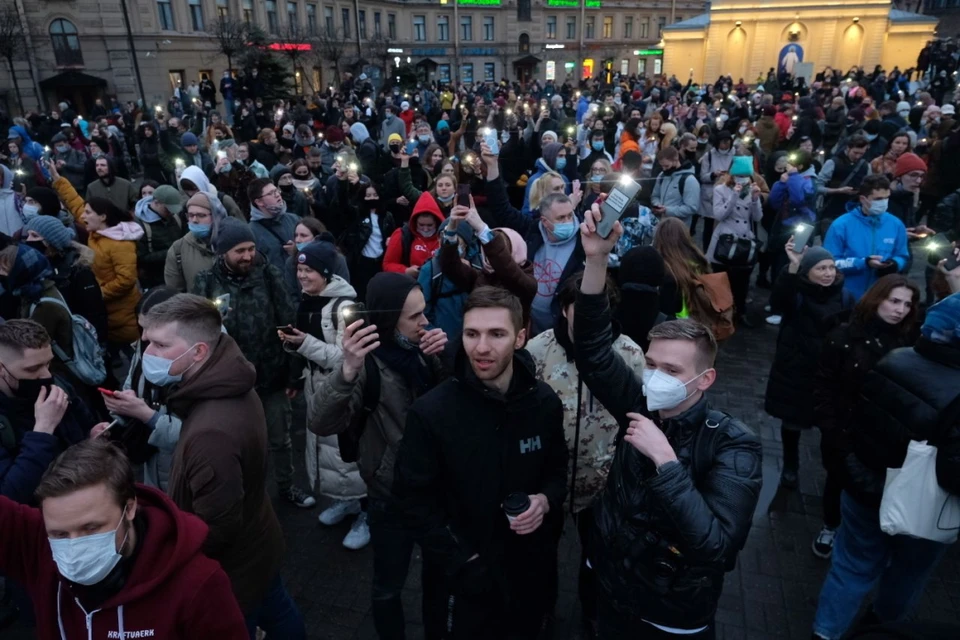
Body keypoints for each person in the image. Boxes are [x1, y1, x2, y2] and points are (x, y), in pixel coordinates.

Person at [572, 205, 763, 639]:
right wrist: (597, 259)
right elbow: (593, 347)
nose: (657, 377)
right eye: (652, 364)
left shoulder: (736, 445)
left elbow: (715, 547)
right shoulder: (637, 401)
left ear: (705, 378)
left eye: (672, 371)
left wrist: (666, 462)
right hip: (610, 590)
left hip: (670, 613)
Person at [393, 286, 568, 638]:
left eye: (496, 334)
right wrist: (464, 562)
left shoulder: (544, 403)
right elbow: (411, 501)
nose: (482, 348)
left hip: (527, 575)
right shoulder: (432, 413)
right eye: (472, 334)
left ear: (521, 337)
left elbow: (557, 470)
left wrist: (544, 500)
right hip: (460, 586)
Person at [139, 293, 306, 638]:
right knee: (277, 610)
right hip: (258, 545)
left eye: (159, 344)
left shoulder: (210, 434)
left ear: (198, 351)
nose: (147, 354)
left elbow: (216, 528)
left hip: (235, 572)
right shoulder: (231, 379)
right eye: (146, 342)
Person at [811, 292, 960, 640]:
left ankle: (825, 633)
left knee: (850, 567)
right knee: (907, 574)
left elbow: (859, 419)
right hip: (922, 508)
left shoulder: (895, 359)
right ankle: (880, 629)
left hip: (865, 487)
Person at [308, 272, 448, 639]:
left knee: (440, 581)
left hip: (437, 494)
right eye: (415, 317)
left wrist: (447, 360)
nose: (425, 322)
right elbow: (320, 421)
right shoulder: (366, 365)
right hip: (390, 497)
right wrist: (347, 370)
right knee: (388, 586)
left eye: (424, 312)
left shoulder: (423, 352)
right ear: (388, 320)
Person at [0, 438, 248, 637]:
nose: (74, 546)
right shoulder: (35, 546)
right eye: (59, 534)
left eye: (91, 528)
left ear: (129, 508)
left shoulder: (198, 583)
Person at [525, 275, 644, 632]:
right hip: (547, 483)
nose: (593, 320)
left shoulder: (630, 354)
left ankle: (592, 614)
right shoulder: (538, 350)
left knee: (597, 558)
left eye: (600, 311)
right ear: (564, 310)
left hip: (603, 485)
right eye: (583, 311)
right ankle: (542, 610)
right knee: (541, 555)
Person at [192, 218, 316, 509]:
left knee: (280, 438)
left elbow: (289, 322)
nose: (247, 256)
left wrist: (293, 374)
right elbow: (197, 333)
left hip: (271, 374)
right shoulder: (205, 282)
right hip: (230, 381)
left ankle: (286, 486)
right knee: (239, 444)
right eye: (240, 251)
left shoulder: (268, 274)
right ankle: (248, 496)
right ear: (223, 252)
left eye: (250, 249)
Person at [812, 275, 919, 560]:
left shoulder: (909, 341)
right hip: (845, 428)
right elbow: (824, 385)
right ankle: (830, 525)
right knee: (837, 479)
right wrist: (831, 429)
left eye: (907, 304)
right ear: (877, 299)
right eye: (894, 301)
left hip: (885, 434)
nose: (900, 310)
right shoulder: (844, 335)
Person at [278, 242, 370, 550]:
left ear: (327, 273)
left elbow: (350, 358)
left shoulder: (347, 306)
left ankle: (367, 511)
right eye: (300, 270)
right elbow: (312, 346)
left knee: (347, 451)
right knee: (326, 449)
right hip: (315, 385)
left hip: (343, 388)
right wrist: (294, 347)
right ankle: (347, 500)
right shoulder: (309, 300)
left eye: (309, 270)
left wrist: (303, 344)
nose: (302, 275)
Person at [765, 242, 854, 490]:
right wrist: (791, 267)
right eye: (821, 268)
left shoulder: (846, 296)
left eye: (831, 267)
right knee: (793, 423)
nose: (828, 273)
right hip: (797, 372)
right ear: (807, 272)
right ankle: (790, 465)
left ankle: (830, 469)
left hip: (829, 374)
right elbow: (778, 300)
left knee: (829, 425)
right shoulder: (797, 294)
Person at [0, 319, 95, 503]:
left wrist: (93, 436)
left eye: (48, 364)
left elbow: (85, 425)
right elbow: (9, 497)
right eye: (33, 369)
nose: (46, 375)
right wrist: (43, 430)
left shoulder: (58, 384)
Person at [51, 167, 143, 349]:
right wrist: (58, 180)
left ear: (102, 217)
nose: (83, 216)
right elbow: (76, 205)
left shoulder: (120, 244)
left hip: (124, 320)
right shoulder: (96, 231)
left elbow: (126, 280)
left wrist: (97, 293)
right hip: (107, 317)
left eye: (88, 213)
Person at [21, 215, 108, 343]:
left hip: (74, 340)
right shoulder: (36, 267)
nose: (28, 240)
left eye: (34, 236)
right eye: (28, 235)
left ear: (51, 242)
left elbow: (94, 313)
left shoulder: (77, 270)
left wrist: (98, 346)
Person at [823, 175, 910, 300]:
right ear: (863, 199)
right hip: (847, 296)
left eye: (887, 198)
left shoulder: (896, 224)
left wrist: (895, 264)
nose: (884, 203)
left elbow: (902, 255)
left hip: (881, 296)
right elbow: (830, 263)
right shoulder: (841, 225)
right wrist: (863, 263)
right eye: (878, 199)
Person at [706, 155, 763, 326]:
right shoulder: (720, 190)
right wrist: (734, 196)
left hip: (744, 239)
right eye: (740, 176)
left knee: (742, 281)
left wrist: (755, 199)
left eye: (746, 176)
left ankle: (739, 312)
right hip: (725, 239)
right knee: (720, 278)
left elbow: (758, 217)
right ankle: (717, 312)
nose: (743, 180)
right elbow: (719, 215)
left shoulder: (753, 189)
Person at [163, 191, 228, 292]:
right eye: (190, 215)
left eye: (201, 215)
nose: (194, 220)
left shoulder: (232, 242)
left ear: (216, 216)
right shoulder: (178, 249)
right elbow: (175, 294)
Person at [381, 192, 445, 278]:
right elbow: (387, 264)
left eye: (430, 225)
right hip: (412, 285)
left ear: (437, 223)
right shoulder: (402, 234)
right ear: (415, 222)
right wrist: (406, 270)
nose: (425, 229)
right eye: (421, 225)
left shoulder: (445, 236)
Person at [134, 184, 186, 289]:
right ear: (156, 203)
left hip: (178, 274)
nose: (171, 213)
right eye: (167, 209)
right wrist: (171, 252)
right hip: (156, 280)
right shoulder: (140, 225)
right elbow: (141, 258)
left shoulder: (175, 218)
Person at [816, 135, 871, 228]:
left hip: (854, 211)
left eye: (861, 153)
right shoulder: (833, 163)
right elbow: (817, 186)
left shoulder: (866, 166)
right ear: (848, 148)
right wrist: (838, 190)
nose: (858, 156)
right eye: (855, 152)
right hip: (831, 210)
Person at [247, 177, 300, 271]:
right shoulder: (251, 232)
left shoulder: (294, 219)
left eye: (276, 190)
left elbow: (313, 246)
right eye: (270, 193)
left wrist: (297, 251)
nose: (277, 195)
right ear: (259, 202)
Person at [650, 147, 701, 223]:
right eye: (662, 166)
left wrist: (667, 210)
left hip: (678, 228)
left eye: (666, 166)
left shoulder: (689, 180)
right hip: (661, 225)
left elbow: (691, 208)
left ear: (676, 160)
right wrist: (657, 205)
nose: (664, 169)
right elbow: (655, 195)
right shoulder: (662, 176)